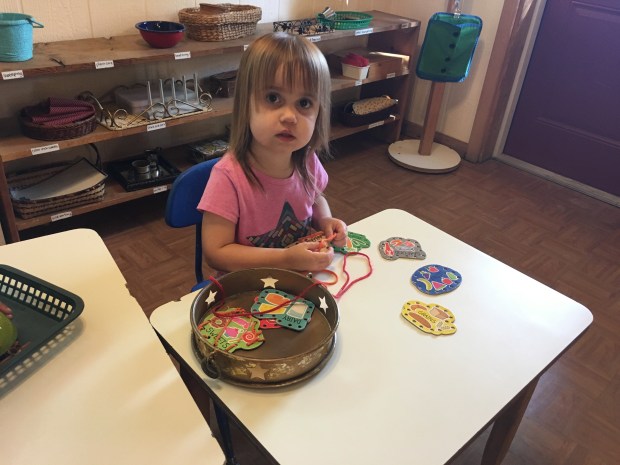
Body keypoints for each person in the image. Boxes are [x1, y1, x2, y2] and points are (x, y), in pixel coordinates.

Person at [198, 32, 347, 274]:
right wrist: (285, 259)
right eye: (273, 98)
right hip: (247, 287)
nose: (289, 117)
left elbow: (314, 199)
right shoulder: (228, 177)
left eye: (304, 103)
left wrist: (325, 221)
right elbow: (216, 253)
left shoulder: (308, 161)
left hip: (299, 280)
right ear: (245, 104)